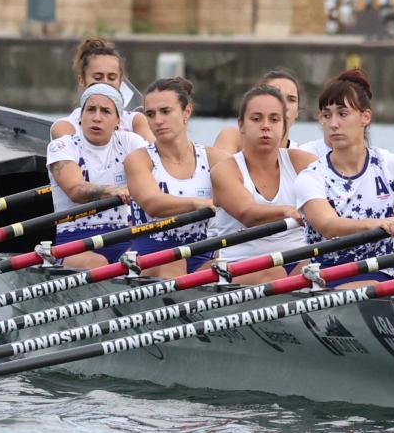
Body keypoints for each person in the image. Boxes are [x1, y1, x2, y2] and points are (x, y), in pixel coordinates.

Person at [292, 68, 394, 284]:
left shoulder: (392, 164)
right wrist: (376, 224)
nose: (333, 124)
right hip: (331, 275)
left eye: (342, 114)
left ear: (365, 117)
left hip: (387, 272)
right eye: (326, 115)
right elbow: (328, 225)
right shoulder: (311, 176)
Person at [122, 77, 233, 278]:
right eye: (150, 114)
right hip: (151, 256)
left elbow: (246, 197)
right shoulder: (138, 159)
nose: (157, 121)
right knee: (174, 265)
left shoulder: (215, 158)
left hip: (202, 254)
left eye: (165, 111)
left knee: (243, 267)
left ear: (186, 111)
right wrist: (197, 203)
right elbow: (153, 203)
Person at [210, 83, 318, 284]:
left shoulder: (303, 162)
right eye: (256, 119)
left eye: (274, 119)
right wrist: (286, 211)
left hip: (296, 261)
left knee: (318, 268)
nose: (266, 125)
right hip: (241, 264)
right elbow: (248, 213)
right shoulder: (225, 170)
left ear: (284, 126)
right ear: (241, 125)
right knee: (274, 273)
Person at [46, 82, 146, 270]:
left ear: (118, 120)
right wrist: (111, 190)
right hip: (74, 239)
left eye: (106, 111)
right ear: (81, 117)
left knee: (147, 258)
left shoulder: (130, 142)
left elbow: (155, 179)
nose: (97, 118)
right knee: (97, 263)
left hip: (122, 236)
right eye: (91, 110)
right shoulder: (63, 146)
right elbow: (75, 191)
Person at [51, 37, 152, 142]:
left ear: (121, 81)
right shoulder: (65, 126)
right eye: (98, 78)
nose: (105, 83)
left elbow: (156, 152)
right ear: (81, 81)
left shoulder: (135, 121)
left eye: (112, 78)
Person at [212, 68, 306, 156]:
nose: (284, 105)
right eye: (276, 96)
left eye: (291, 99)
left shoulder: (303, 155)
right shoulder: (233, 137)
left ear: (297, 111)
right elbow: (218, 168)